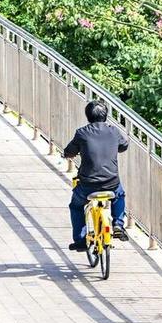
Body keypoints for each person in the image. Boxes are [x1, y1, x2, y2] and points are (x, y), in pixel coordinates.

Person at [64, 100, 129, 251]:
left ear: (88, 116)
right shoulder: (113, 131)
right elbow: (124, 145)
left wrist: (67, 154)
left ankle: (80, 241)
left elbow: (70, 151)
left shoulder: (81, 133)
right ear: (106, 116)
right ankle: (118, 224)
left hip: (87, 185)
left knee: (76, 206)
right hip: (111, 183)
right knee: (119, 195)